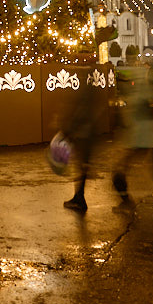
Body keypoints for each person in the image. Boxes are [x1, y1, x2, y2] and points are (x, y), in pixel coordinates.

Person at [112, 61, 153, 204]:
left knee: (134, 156)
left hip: (142, 129)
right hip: (149, 129)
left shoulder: (137, 87)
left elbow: (136, 103)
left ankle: (119, 181)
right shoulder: (145, 84)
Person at [62, 71, 104, 212]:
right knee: (83, 165)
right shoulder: (93, 91)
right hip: (90, 133)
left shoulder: (84, 93)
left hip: (82, 134)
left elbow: (80, 112)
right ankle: (79, 197)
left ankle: (79, 198)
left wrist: (68, 129)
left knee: (80, 166)